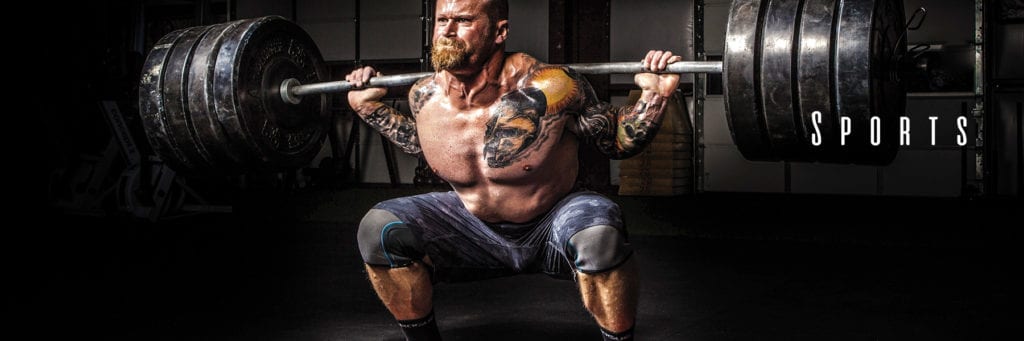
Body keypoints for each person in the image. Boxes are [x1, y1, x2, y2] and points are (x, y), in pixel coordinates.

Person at [345, 0, 682, 339]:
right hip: (470, 228)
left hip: (551, 222)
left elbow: (618, 142)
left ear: (499, 32)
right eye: (441, 19)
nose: (447, 30)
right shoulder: (424, 96)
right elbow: (422, 145)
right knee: (378, 229)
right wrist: (369, 108)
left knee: (599, 235)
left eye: (462, 20)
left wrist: (654, 95)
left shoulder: (553, 86)